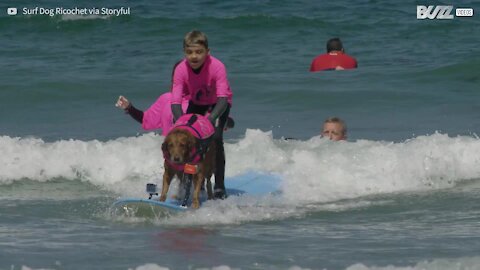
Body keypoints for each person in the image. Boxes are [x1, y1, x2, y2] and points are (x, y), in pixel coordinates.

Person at [170, 30, 233, 199]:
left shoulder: (217, 66)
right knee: (188, 139)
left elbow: (223, 99)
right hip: (197, 103)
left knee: (216, 139)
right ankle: (188, 182)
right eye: (189, 52)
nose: (194, 56)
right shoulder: (181, 69)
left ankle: (219, 186)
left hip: (219, 104)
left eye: (199, 52)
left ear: (207, 52)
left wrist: (210, 120)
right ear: (184, 53)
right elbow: (175, 102)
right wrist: (181, 122)